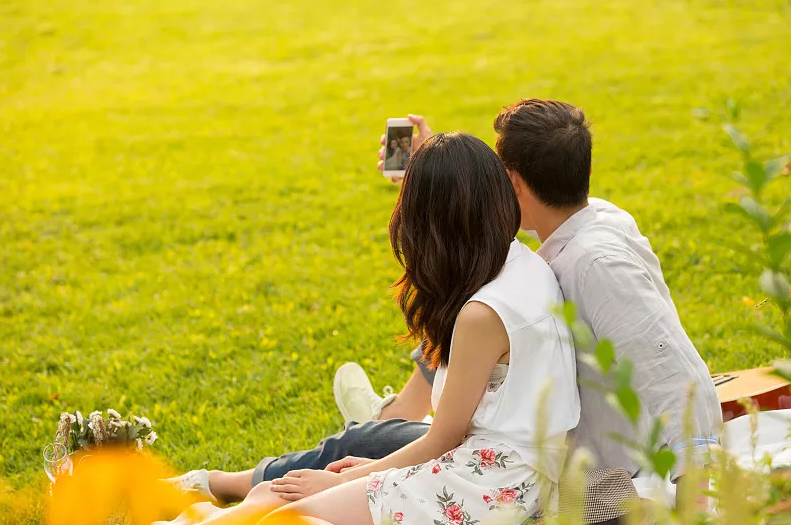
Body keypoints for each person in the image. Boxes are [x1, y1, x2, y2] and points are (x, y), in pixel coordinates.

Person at [170, 102, 722, 522]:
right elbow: (475, 240)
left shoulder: (592, 265)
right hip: (496, 429)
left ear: (512, 184)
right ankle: (335, 438)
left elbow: (676, 375)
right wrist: (430, 167)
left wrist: (699, 490)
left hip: (517, 461)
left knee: (335, 468)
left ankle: (352, 432)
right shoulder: (552, 239)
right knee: (350, 450)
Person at [165, 132, 580, 525]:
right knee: (276, 497)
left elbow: (443, 439)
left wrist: (348, 480)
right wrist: (370, 475)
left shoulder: (481, 315)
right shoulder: (519, 262)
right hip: (502, 466)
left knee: (291, 514)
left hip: (492, 482)